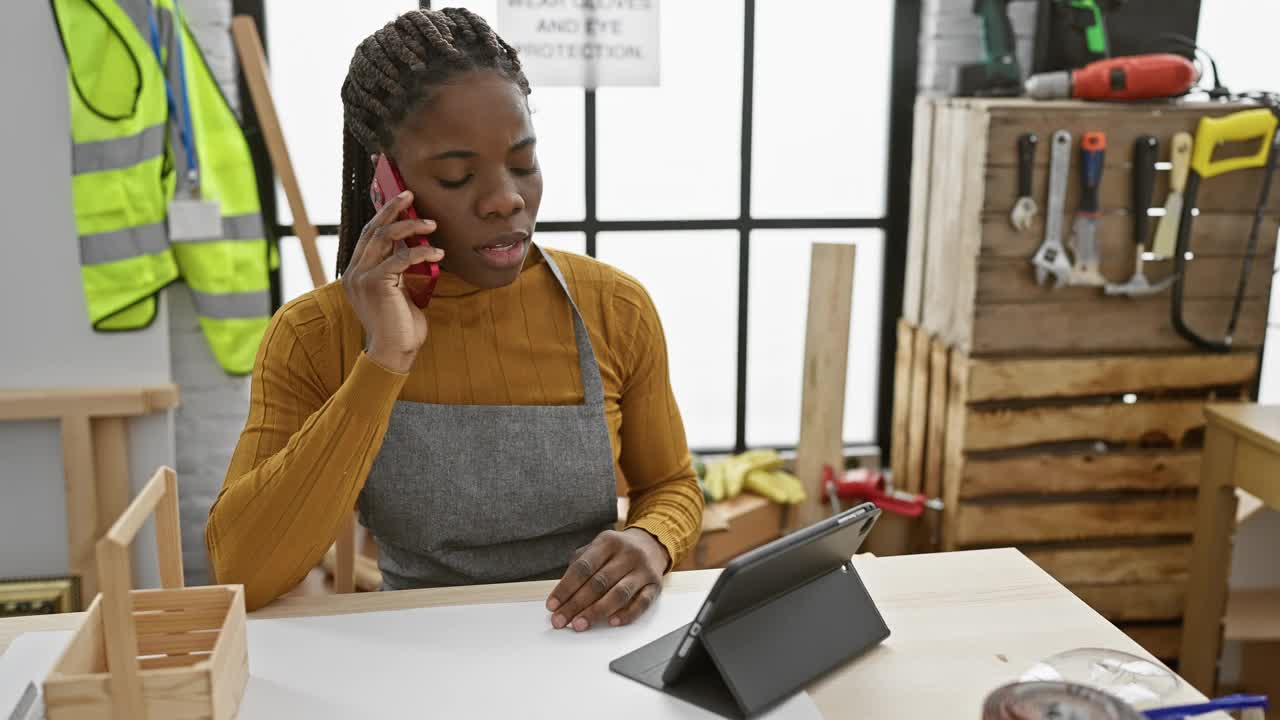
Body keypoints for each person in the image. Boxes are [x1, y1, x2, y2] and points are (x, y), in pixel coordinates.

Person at [206, 8, 703, 631]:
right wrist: (384, 359)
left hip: (585, 644)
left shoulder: (614, 306)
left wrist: (652, 540)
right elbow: (243, 571)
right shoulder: (317, 335)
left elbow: (672, 484)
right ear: (385, 184)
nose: (506, 198)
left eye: (523, 163)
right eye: (455, 175)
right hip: (413, 649)